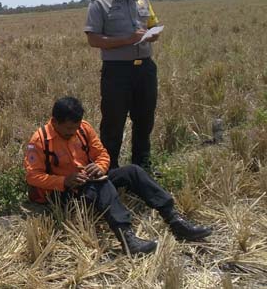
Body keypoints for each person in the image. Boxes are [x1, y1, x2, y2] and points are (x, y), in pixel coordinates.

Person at [23, 97, 211, 255]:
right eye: (67, 131)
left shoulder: (84, 129)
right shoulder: (39, 141)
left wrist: (100, 167)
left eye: (75, 129)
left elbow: (102, 154)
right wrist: (64, 180)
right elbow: (32, 176)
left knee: (132, 171)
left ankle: (174, 220)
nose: (72, 133)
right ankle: (127, 238)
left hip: (88, 180)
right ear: (54, 122)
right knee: (101, 185)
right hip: (64, 192)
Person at [84, 0, 161, 170]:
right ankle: (110, 171)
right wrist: (127, 40)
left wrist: (153, 33)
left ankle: (142, 167)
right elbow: (93, 39)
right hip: (117, 72)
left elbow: (154, 23)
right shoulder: (100, 4)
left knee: (145, 120)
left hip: (145, 69)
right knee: (113, 124)